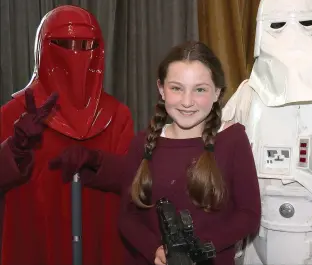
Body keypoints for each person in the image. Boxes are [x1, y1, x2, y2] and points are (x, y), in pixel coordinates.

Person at [49, 41, 261, 265]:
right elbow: (127, 216)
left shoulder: (233, 139)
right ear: (161, 89)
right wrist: (155, 250)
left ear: (217, 92)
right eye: (176, 88)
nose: (187, 102)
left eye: (200, 89)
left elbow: (248, 214)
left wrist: (199, 248)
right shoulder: (142, 143)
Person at [222, 0, 312, 265]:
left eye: (306, 22)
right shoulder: (249, 94)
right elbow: (217, 161)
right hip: (260, 237)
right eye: (278, 24)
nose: (292, 34)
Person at [0, 5, 134, 265]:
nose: (76, 54)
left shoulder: (116, 115)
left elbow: (134, 184)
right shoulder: (13, 115)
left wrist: (97, 162)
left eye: (86, 46)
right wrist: (14, 149)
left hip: (101, 244)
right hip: (34, 245)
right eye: (65, 44)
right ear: (44, 48)